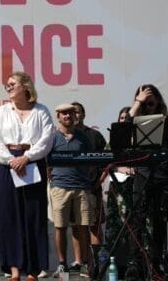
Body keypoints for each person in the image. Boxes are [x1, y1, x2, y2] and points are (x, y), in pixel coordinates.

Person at [0, 72, 55, 281]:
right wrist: (12, 160)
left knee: (33, 215)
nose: (8, 87)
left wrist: (26, 157)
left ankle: (33, 270)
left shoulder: (41, 111)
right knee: (10, 217)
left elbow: (46, 140)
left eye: (12, 84)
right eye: (7, 85)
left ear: (25, 86)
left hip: (32, 162)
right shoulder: (2, 111)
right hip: (7, 164)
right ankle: (14, 269)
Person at [126, 84, 168, 278]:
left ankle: (156, 261)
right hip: (142, 176)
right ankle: (135, 263)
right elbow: (124, 129)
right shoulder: (136, 120)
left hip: (162, 177)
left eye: (152, 98)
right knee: (137, 219)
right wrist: (138, 102)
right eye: (145, 99)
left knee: (159, 220)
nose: (148, 102)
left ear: (159, 100)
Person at [49, 104, 96, 278]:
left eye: (70, 113)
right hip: (60, 187)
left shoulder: (84, 137)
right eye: (64, 113)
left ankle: (83, 263)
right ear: (58, 117)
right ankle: (62, 265)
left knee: (83, 226)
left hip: (81, 188)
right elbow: (47, 162)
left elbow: (92, 163)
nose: (68, 116)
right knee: (60, 227)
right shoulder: (52, 137)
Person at [71, 101, 106, 276]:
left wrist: (99, 181)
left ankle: (95, 262)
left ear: (83, 114)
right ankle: (79, 261)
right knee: (76, 226)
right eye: (70, 112)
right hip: (71, 187)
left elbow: (107, 162)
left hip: (92, 187)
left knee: (93, 225)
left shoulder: (95, 136)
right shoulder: (63, 136)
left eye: (77, 112)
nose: (74, 115)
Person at [103, 106, 133, 276]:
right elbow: (106, 161)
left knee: (133, 227)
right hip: (118, 188)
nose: (124, 120)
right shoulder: (114, 139)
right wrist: (120, 168)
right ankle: (116, 267)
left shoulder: (142, 139)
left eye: (127, 117)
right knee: (116, 228)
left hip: (136, 187)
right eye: (121, 117)